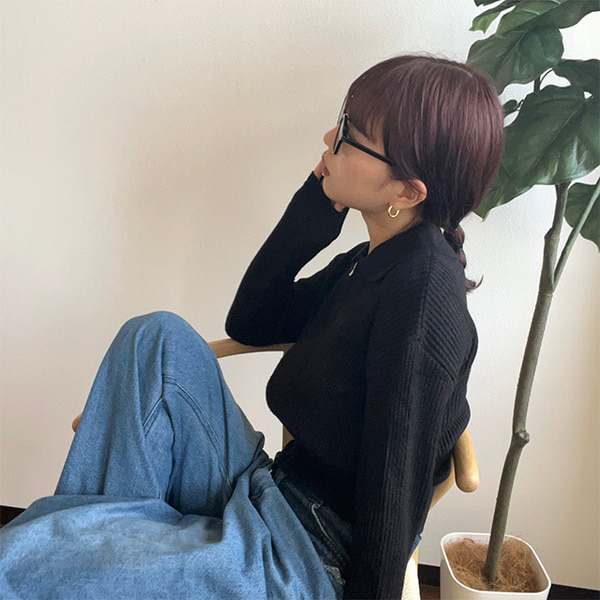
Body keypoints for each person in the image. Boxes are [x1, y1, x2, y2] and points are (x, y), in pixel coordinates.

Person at [0, 54, 504, 599]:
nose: (330, 138)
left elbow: (393, 496)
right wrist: (315, 210)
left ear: (406, 192)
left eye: (350, 137)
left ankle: (95, 553)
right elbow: (252, 321)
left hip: (311, 559)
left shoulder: (421, 302)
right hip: (270, 491)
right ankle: (105, 553)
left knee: (28, 561)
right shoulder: (371, 260)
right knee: (156, 338)